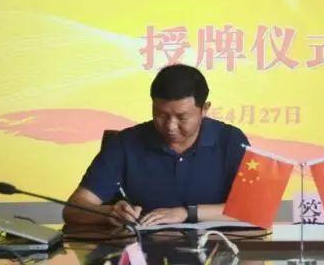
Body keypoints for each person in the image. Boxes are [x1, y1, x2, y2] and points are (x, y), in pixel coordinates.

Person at [63, 64, 249, 226]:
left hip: (220, 248)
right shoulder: (125, 143)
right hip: (144, 249)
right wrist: (109, 213)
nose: (170, 126)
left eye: (182, 117)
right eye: (161, 115)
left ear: (205, 109)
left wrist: (186, 213)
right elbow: (73, 209)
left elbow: (254, 210)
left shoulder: (231, 141)